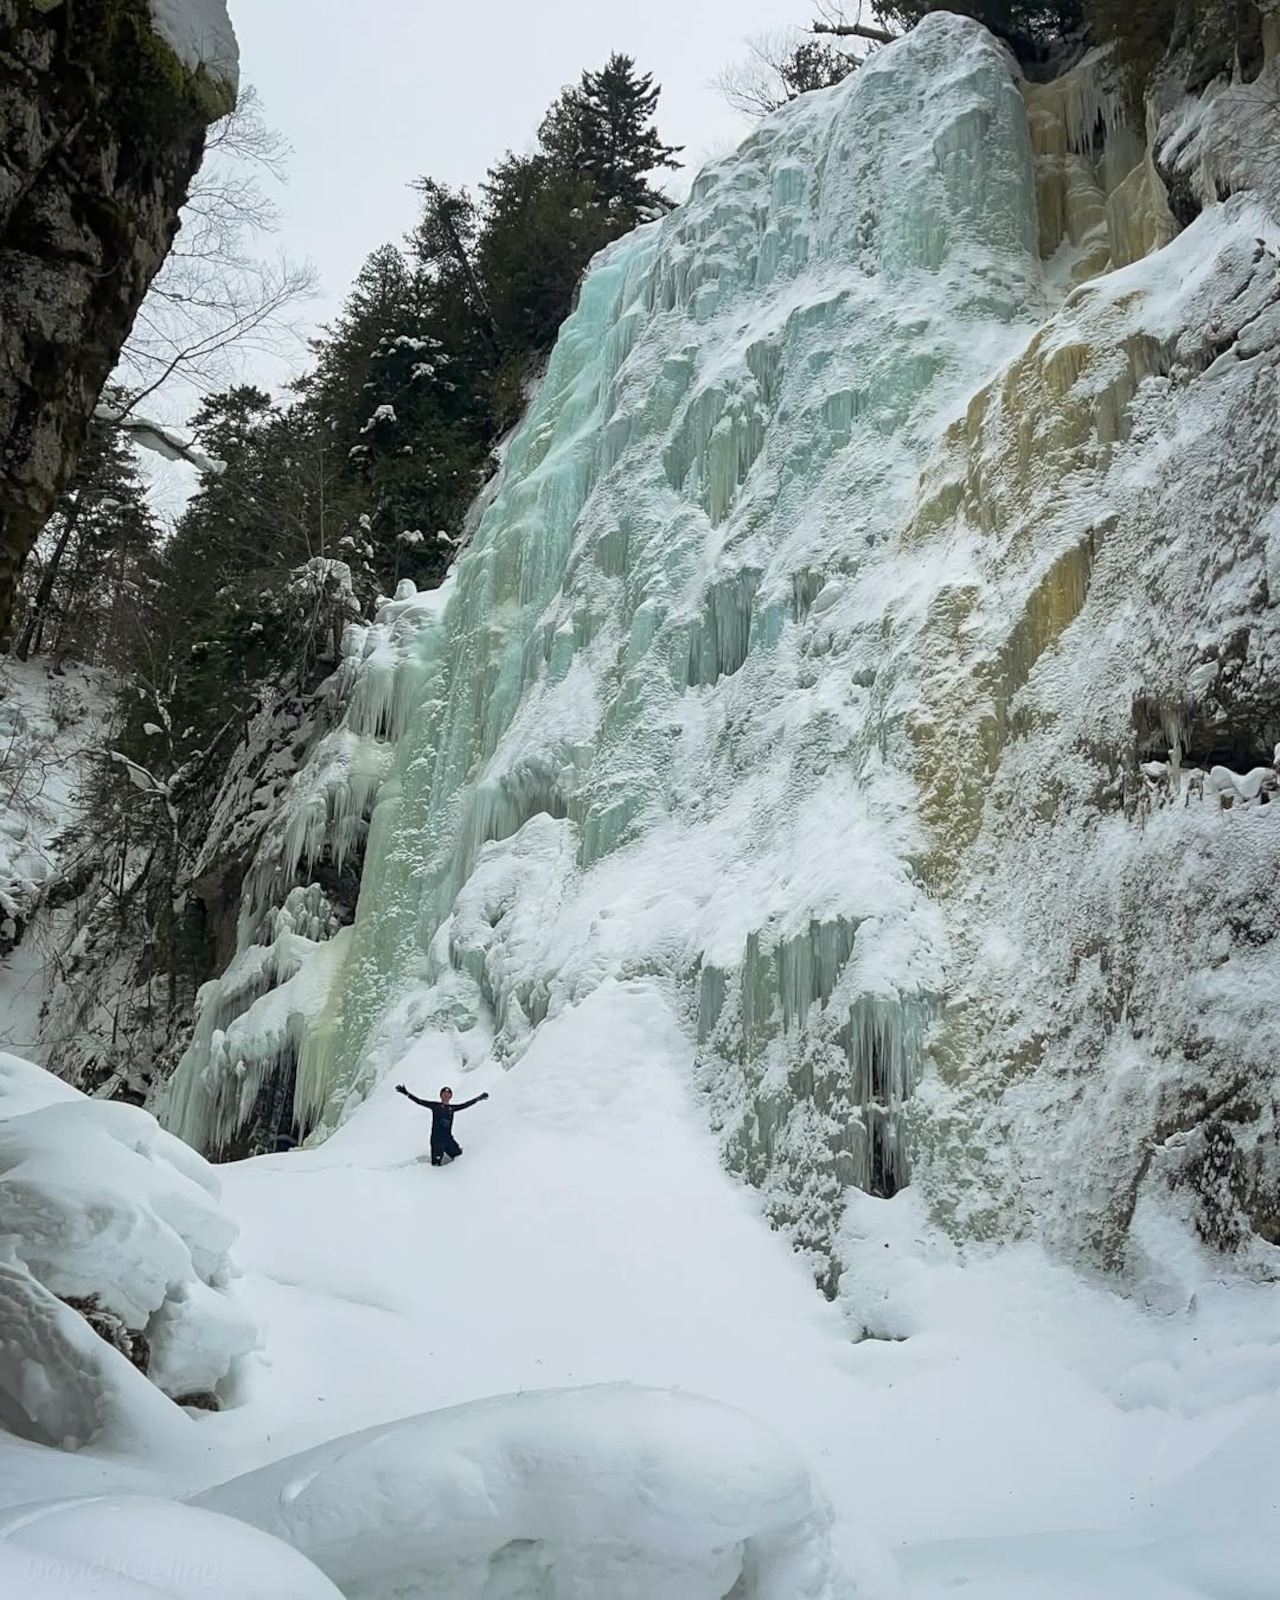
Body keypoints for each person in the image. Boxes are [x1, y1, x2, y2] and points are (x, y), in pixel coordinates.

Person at [395, 1082, 489, 1166]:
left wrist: (479, 1098)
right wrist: (407, 1093)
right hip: (437, 1141)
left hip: (448, 1140)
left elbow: (466, 1104)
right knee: (436, 1165)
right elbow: (419, 1101)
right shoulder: (435, 1106)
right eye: (444, 1093)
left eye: (448, 1094)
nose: (446, 1095)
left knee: (459, 1156)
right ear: (441, 1096)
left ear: (450, 1096)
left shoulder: (452, 1108)